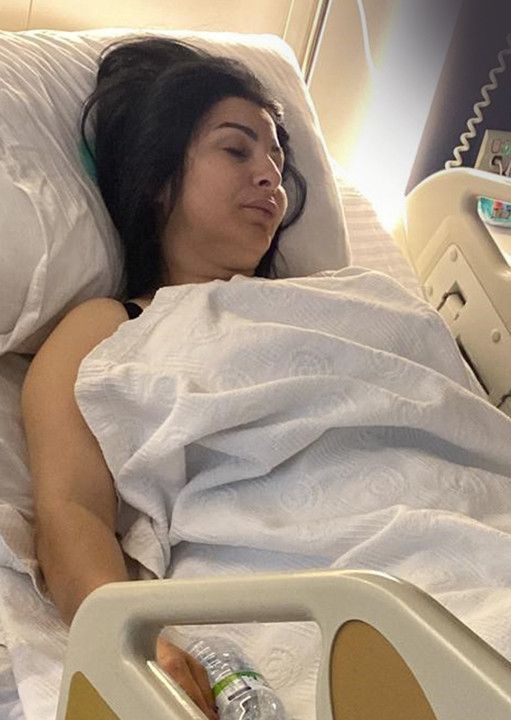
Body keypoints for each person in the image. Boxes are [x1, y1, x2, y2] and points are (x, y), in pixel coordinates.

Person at [21, 37, 308, 718]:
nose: (269, 177)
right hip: (298, 582)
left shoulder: (346, 301)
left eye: (277, 160)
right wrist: (137, 642)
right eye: (237, 150)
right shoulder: (109, 327)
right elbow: (71, 510)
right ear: (157, 179)